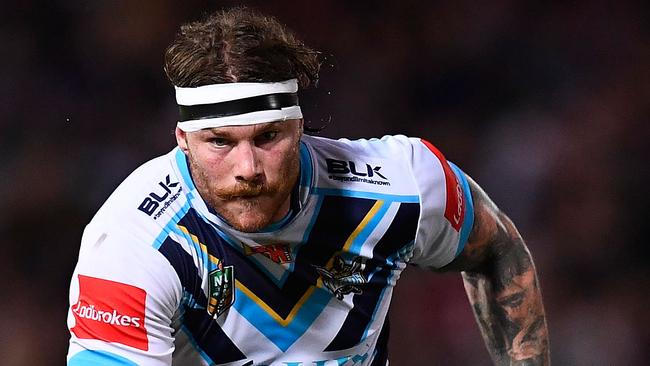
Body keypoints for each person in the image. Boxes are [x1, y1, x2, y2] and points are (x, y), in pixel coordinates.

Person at [66, 7, 549, 366]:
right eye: (219, 143)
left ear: (300, 128)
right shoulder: (132, 245)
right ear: (183, 141)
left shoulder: (406, 185)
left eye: (267, 137)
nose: (248, 167)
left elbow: (496, 251)